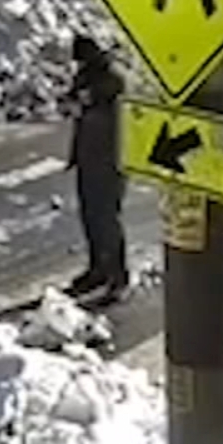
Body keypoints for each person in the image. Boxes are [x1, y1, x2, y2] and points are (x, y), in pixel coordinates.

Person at [65, 34, 130, 305]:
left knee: (107, 219)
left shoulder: (113, 79)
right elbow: (75, 102)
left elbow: (103, 111)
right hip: (88, 157)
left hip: (110, 159)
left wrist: (84, 102)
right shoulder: (87, 75)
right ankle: (97, 269)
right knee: (90, 217)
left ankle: (118, 275)